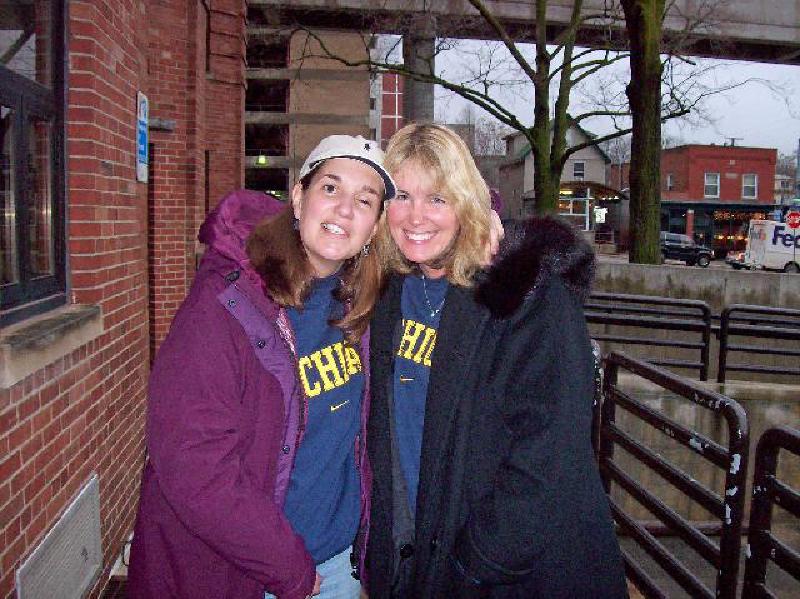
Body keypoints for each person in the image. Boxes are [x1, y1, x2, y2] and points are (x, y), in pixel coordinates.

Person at [127, 135, 395, 599]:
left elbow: (441, 235)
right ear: (298, 198)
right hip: (249, 574)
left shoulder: (367, 305)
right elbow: (193, 462)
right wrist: (287, 567)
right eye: (330, 188)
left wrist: (488, 218)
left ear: (374, 227)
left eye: (364, 200)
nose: (344, 210)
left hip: (338, 564)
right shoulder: (227, 302)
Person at [366, 123, 628, 598]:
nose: (416, 216)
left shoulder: (523, 293)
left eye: (438, 199)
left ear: (467, 202)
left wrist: (477, 563)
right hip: (420, 554)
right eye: (402, 195)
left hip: (508, 572)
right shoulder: (388, 291)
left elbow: (548, 454)